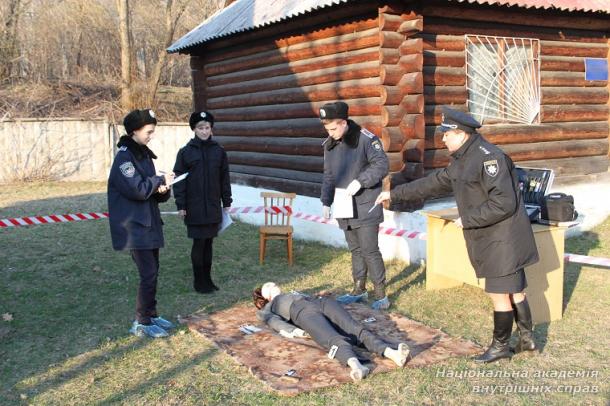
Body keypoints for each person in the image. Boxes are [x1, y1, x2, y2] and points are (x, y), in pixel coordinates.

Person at [375, 106, 539, 363]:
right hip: (496, 235)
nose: (443, 139)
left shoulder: (489, 158)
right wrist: (395, 194)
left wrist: (469, 218)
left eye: (446, 134)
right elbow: (434, 183)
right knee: (514, 290)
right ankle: (527, 340)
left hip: (501, 238)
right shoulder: (464, 158)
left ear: (461, 134)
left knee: (501, 294)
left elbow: (504, 202)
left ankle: (500, 348)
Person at [253, 282, 410, 382]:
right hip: (301, 313)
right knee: (331, 337)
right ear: (266, 296)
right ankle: (356, 366)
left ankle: (391, 353)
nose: (274, 284)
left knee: (354, 328)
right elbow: (274, 322)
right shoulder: (269, 307)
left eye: (273, 283)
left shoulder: (294, 292)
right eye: (269, 285)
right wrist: (294, 331)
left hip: (321, 303)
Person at [108, 109, 176, 338]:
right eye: (149, 132)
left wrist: (164, 189)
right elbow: (138, 189)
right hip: (133, 227)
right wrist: (158, 180)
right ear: (135, 131)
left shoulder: (143, 155)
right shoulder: (124, 159)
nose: (151, 136)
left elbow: (150, 192)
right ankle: (141, 322)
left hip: (148, 223)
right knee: (148, 273)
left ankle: (151, 314)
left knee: (153, 271)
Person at [319, 101, 391, 310]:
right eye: (327, 129)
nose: (330, 133)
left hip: (365, 204)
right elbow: (328, 175)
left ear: (343, 123)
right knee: (355, 250)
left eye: (333, 128)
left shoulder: (366, 139)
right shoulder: (330, 145)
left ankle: (380, 295)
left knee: (369, 250)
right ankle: (359, 289)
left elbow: (381, 164)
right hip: (344, 206)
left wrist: (361, 181)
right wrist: (326, 201)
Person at [173, 111, 232, 293]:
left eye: (207, 128)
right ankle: (199, 282)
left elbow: (224, 178)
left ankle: (208, 280)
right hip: (194, 207)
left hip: (213, 206)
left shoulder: (219, 151)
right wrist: (181, 205)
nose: (204, 131)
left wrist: (226, 200)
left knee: (209, 244)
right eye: (200, 128)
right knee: (199, 244)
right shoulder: (185, 153)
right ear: (194, 129)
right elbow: (179, 181)